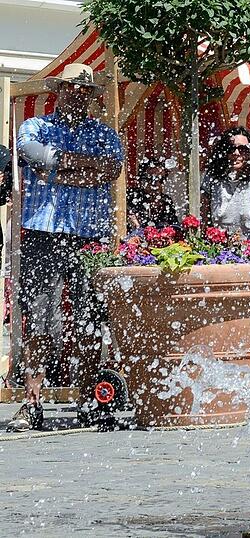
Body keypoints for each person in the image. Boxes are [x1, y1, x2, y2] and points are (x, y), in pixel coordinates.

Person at [8, 63, 123, 432]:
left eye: (83, 89)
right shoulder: (35, 127)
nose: (77, 93)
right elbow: (30, 154)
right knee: (37, 316)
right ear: (60, 90)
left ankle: (91, 396)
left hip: (89, 234)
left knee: (90, 316)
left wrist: (56, 168)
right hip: (43, 232)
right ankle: (32, 401)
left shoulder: (105, 134)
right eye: (71, 87)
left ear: (90, 95)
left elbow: (110, 170)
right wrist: (81, 171)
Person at [201, 126, 250, 239]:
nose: (236, 153)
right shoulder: (212, 175)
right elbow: (204, 214)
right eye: (231, 148)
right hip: (221, 244)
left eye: (243, 149)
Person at [127, 156, 178, 230]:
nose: (155, 184)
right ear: (141, 181)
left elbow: (175, 227)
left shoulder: (166, 201)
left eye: (160, 179)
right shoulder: (133, 198)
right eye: (150, 179)